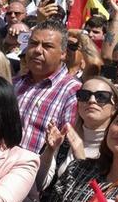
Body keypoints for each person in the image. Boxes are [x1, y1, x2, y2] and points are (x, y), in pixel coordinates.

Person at [15, 22, 82, 154]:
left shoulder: (73, 91)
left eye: (47, 46)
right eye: (33, 44)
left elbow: (68, 146)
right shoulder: (14, 83)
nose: (38, 50)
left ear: (63, 54)